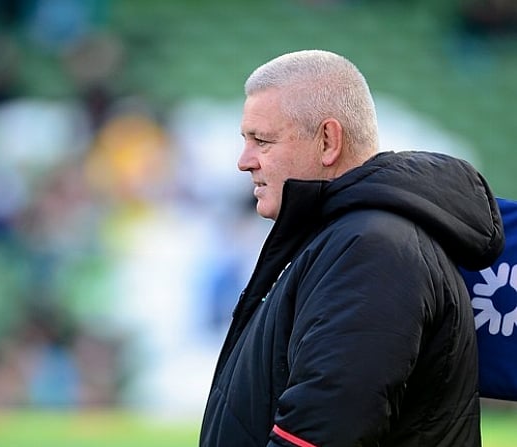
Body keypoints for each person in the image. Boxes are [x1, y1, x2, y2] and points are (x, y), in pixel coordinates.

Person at [199, 49, 504, 447]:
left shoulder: (374, 249)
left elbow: (322, 432)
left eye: (262, 141)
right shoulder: (351, 236)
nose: (244, 161)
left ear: (328, 140)